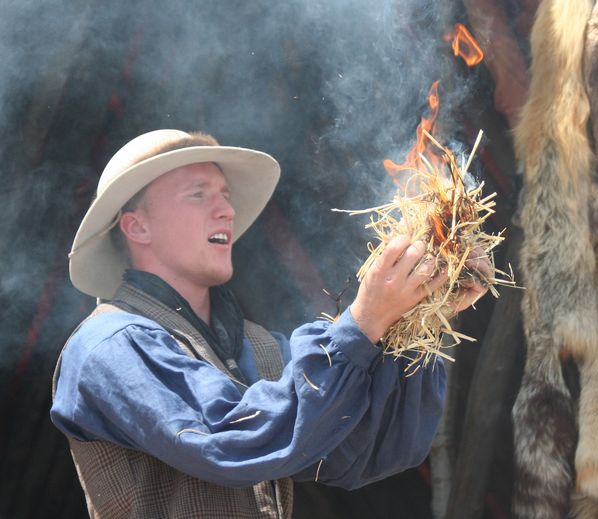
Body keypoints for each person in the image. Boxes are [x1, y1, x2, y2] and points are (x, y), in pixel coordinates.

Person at [50, 129, 492, 518]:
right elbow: (230, 438)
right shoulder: (108, 344)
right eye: (198, 194)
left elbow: (362, 450)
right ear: (137, 227)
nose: (226, 210)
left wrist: (418, 321)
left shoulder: (258, 346)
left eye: (225, 195)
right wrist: (363, 321)